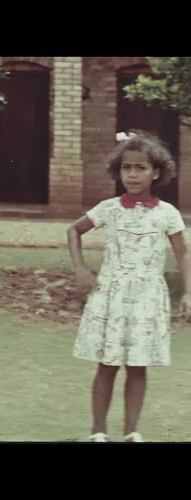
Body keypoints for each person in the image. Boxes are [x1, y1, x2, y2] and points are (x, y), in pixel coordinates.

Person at [68, 130, 191, 443]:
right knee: (107, 363)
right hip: (110, 295)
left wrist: (188, 292)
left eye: (141, 168)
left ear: (156, 172)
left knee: (137, 366)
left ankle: (131, 431)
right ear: (118, 171)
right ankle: (98, 431)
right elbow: (74, 230)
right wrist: (81, 268)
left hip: (148, 297)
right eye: (127, 168)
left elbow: (182, 253)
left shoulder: (168, 213)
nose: (133, 174)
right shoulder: (108, 208)